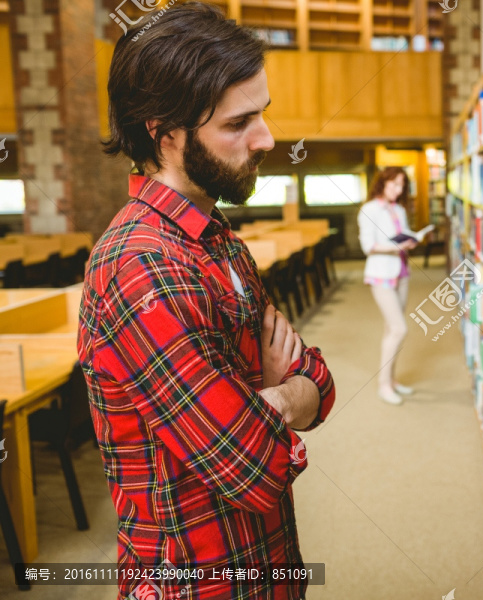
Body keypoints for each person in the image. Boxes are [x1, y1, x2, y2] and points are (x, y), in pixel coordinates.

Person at [76, 4, 335, 599]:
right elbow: (252, 469)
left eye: (262, 115)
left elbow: (319, 381)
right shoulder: (141, 267)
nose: (267, 138)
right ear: (165, 133)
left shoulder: (218, 242)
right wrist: (287, 393)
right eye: (238, 123)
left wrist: (278, 396)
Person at [357, 167, 419, 405]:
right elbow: (368, 246)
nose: (399, 190)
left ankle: (391, 380)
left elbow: (400, 235)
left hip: (401, 272)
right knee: (399, 328)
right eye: (394, 184)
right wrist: (396, 247)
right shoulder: (369, 209)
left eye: (402, 185)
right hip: (381, 274)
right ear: (382, 183)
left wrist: (411, 239)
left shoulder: (399, 209)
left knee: (391, 328)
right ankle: (383, 384)